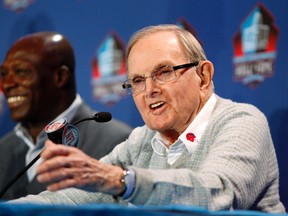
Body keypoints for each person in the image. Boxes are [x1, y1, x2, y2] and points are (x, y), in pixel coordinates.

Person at [9, 24, 285, 213]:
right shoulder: (142, 140)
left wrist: (122, 180)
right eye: (138, 81)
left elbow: (219, 193)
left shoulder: (241, 121)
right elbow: (70, 199)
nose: (149, 89)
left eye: (164, 72)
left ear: (203, 76)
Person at [0, 32, 132, 200]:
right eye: (4, 74)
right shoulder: (3, 149)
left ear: (60, 77)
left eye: (21, 72)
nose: (8, 84)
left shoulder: (117, 141)